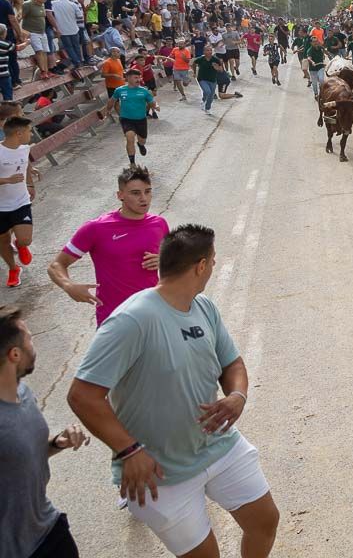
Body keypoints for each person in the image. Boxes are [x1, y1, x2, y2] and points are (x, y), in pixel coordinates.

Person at [68, 224, 280, 558]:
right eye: (212, 261)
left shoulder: (204, 308)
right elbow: (82, 395)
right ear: (200, 266)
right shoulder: (131, 320)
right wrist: (129, 451)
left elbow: (233, 364)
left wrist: (236, 396)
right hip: (159, 472)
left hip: (218, 446)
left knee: (265, 520)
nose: (212, 267)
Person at [0, 306, 91, 558]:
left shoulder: (23, 394)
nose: (34, 343)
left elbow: (20, 456)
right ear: (15, 354)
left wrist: (55, 442)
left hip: (49, 529)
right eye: (30, 337)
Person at [49, 165, 168, 327]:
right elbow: (56, 265)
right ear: (120, 195)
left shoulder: (159, 224)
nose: (144, 198)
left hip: (154, 313)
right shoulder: (96, 228)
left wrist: (164, 259)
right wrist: (69, 286)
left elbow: (174, 262)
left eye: (147, 191)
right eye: (135, 193)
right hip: (114, 318)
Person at [0, 117, 34, 288]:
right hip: (0, 206)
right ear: (19, 133)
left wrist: (29, 183)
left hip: (21, 201)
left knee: (26, 239)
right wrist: (6, 180)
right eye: (29, 130)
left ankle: (20, 245)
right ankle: (13, 269)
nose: (31, 134)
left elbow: (26, 165)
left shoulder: (25, 148)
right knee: (2, 241)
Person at [104, 69, 159, 166]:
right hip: (126, 119)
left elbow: (152, 101)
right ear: (128, 78)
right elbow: (112, 100)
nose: (138, 80)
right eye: (135, 77)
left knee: (142, 140)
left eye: (139, 77)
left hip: (141, 120)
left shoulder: (144, 91)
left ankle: (141, 145)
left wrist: (156, 106)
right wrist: (107, 110)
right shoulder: (120, 90)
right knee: (129, 138)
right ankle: (132, 163)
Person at [193, 45, 240, 115]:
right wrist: (194, 72)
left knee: (211, 95)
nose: (209, 52)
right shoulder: (200, 59)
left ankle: (207, 108)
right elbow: (193, 63)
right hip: (202, 79)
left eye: (210, 50)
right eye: (207, 50)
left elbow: (221, 70)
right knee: (207, 91)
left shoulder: (216, 60)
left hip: (212, 80)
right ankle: (204, 101)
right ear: (204, 51)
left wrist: (217, 68)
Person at [22, 0, 54, 80]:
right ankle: (43, 72)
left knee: (44, 52)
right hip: (32, 32)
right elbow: (20, 17)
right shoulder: (28, 4)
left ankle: (46, 71)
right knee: (39, 51)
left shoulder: (42, 4)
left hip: (42, 32)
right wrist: (22, 31)